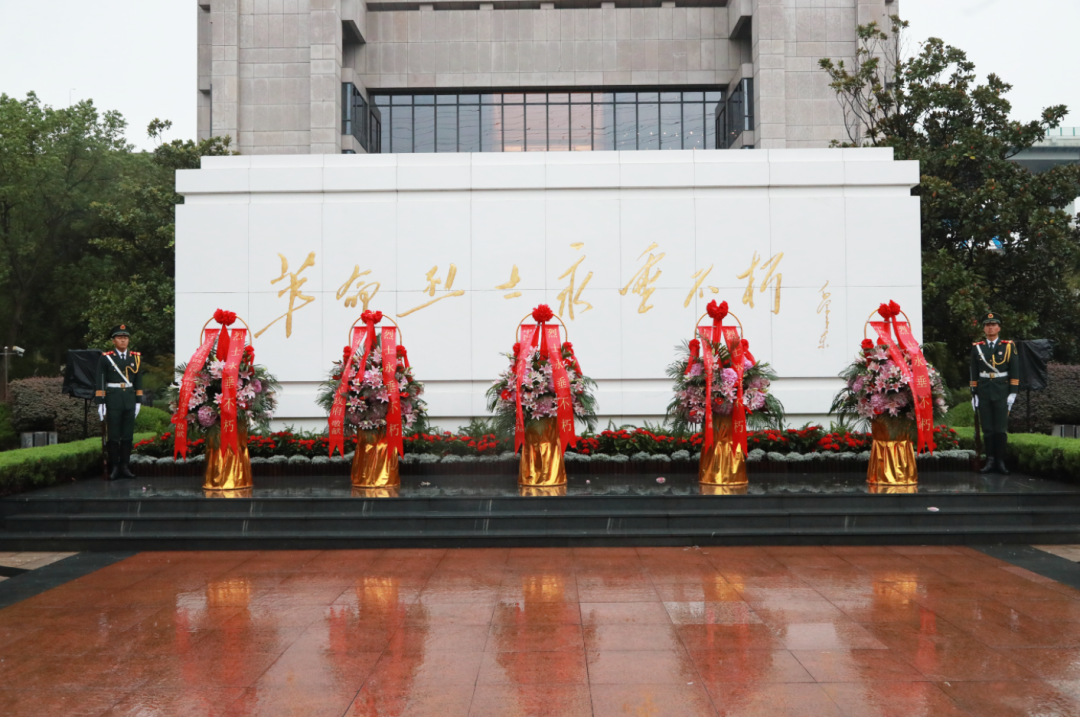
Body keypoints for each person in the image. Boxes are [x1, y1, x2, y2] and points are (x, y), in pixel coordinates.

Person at [970, 312, 1019, 475]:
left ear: (999, 328)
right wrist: (974, 394)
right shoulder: (977, 347)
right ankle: (990, 460)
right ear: (984, 328)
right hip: (984, 391)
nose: (990, 328)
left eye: (993, 325)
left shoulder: (1008, 346)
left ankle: (1000, 461)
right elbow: (974, 372)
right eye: (987, 325)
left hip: (1002, 391)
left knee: (1000, 429)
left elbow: (1015, 370)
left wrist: (1013, 393)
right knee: (987, 429)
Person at [95, 325, 143, 480]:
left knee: (127, 436)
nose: (123, 340)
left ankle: (125, 466)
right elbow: (100, 380)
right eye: (119, 337)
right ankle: (114, 467)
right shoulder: (106, 358)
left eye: (126, 337)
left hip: (129, 398)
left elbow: (138, 380)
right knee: (114, 436)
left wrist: (138, 401)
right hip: (113, 399)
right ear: (113, 341)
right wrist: (101, 402)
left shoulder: (135, 357)